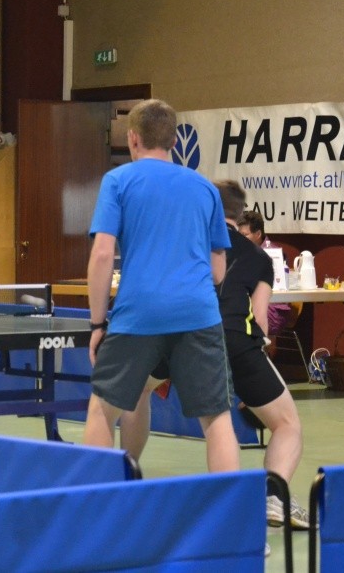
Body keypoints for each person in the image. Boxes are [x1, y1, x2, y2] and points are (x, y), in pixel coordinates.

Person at [121, 180, 310, 530]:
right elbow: (261, 321)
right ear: (239, 215)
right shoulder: (260, 258)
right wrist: (255, 369)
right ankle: (273, 496)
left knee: (137, 391)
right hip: (237, 341)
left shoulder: (182, 241)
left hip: (178, 334)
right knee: (287, 424)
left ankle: (125, 474)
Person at [82, 99, 240, 475]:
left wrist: (97, 323)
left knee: (102, 409)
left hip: (138, 313)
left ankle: (97, 502)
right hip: (198, 313)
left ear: (133, 138)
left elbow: (102, 255)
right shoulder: (204, 189)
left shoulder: (118, 181)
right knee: (217, 420)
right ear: (173, 141)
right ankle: (233, 509)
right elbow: (218, 270)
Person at [236, 208, 291, 349]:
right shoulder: (244, 252)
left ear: (258, 234)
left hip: (272, 311)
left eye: (245, 235)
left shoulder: (271, 254)